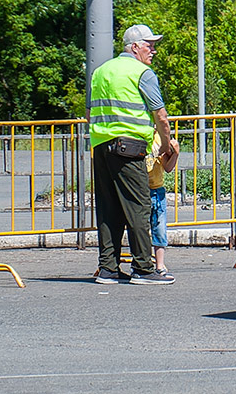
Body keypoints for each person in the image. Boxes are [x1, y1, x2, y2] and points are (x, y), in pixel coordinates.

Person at [89, 24, 177, 285]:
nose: (153, 50)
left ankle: (108, 269)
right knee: (139, 207)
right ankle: (143, 268)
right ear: (135, 47)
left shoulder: (100, 71)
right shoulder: (142, 72)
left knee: (108, 209)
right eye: (149, 45)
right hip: (129, 148)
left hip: (101, 146)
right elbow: (160, 114)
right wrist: (165, 143)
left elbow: (90, 111)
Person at [147, 138, 179, 277]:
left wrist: (175, 154)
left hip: (156, 190)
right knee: (139, 229)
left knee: (159, 228)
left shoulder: (160, 138)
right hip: (138, 189)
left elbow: (168, 167)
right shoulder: (137, 134)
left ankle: (159, 265)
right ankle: (143, 263)